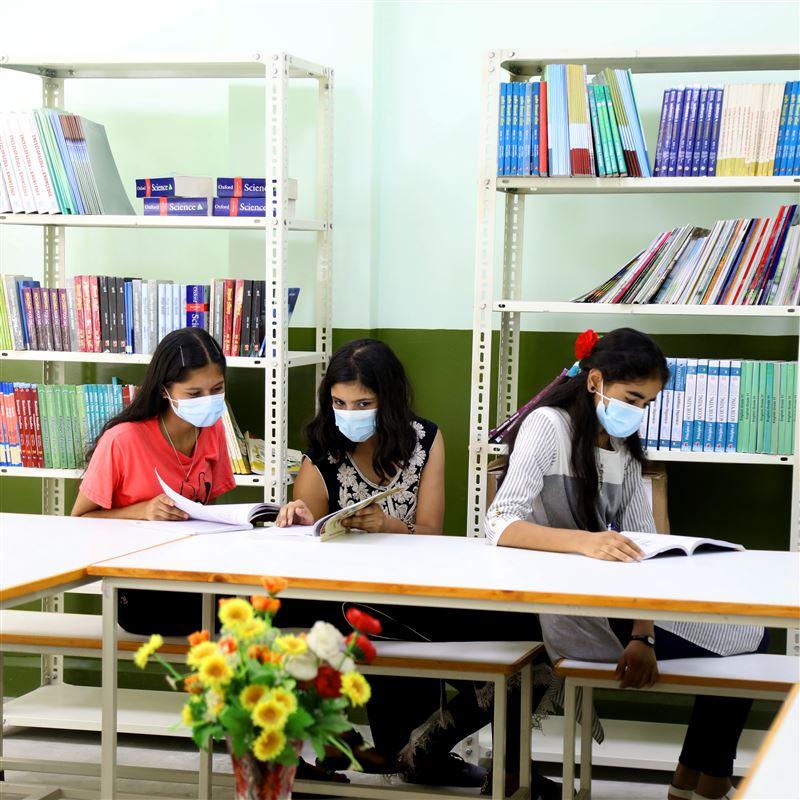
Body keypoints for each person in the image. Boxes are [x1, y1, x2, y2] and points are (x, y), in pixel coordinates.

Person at [486, 327, 767, 800]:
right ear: (595, 381)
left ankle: (695, 780)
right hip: (576, 613)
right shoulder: (548, 425)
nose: (636, 413)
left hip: (624, 609)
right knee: (745, 643)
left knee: (748, 631)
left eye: (646, 404)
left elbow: (647, 549)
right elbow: (500, 523)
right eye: (631, 398)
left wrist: (644, 633)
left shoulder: (625, 450)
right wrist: (585, 542)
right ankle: (704, 781)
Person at [276, 338, 556, 799]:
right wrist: (299, 516)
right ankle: (434, 750)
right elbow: (310, 531)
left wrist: (386, 524)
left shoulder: (424, 438)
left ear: (387, 400)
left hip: (418, 591)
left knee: (527, 631)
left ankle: (461, 750)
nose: (350, 412)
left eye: (363, 403)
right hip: (352, 603)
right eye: (339, 402)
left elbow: (431, 533)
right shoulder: (323, 447)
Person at [71, 327, 234, 636]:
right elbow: (79, 519)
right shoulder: (122, 441)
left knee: (276, 598)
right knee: (263, 609)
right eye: (194, 394)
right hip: (140, 590)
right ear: (164, 390)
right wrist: (142, 510)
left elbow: (207, 514)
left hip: (196, 575)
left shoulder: (212, 430)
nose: (209, 401)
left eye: (217, 389)